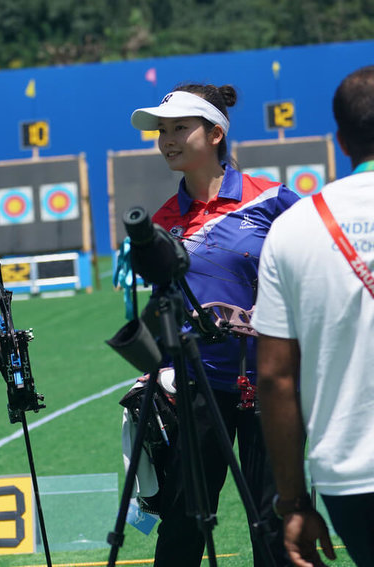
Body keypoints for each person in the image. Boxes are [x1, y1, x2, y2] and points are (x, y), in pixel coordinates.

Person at [129, 83, 300, 566]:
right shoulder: (162, 221)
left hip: (273, 382)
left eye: (180, 127)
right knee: (184, 519)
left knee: (274, 517)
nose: (168, 139)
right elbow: (160, 308)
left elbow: (316, 265)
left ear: (216, 133)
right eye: (163, 131)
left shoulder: (270, 199)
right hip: (199, 387)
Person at [254, 65, 374, 567]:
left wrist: (293, 503)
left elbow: (275, 378)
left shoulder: (292, 227)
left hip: (349, 477)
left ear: (341, 141)